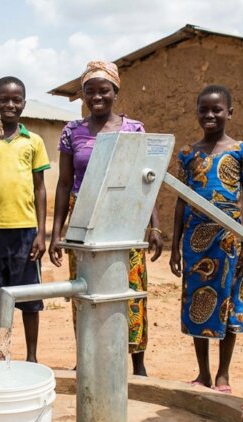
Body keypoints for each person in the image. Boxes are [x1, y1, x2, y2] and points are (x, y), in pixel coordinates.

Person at [49, 60, 163, 376]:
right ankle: (87, 354)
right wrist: (57, 232)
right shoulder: (72, 131)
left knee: (130, 287)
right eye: (90, 92)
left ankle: (137, 363)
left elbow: (147, 178)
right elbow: (63, 182)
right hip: (84, 219)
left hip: (126, 217)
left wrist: (154, 224)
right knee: (85, 289)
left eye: (104, 91)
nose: (97, 97)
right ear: (83, 95)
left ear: (115, 91)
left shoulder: (134, 129)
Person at [169, 85, 243, 394]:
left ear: (229, 113)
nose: (209, 115)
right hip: (195, 242)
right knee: (198, 304)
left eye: (216, 110)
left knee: (229, 305)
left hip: (231, 244)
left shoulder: (241, 151)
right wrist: (175, 247)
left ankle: (223, 374)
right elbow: (181, 201)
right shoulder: (187, 153)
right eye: (203, 110)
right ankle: (203, 372)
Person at [0, 76, 50, 362]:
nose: (10, 104)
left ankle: (31, 357)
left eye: (16, 100)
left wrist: (41, 233)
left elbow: (40, 188)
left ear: (24, 104)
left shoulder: (34, 142)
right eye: (4, 99)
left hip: (26, 233)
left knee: (29, 299)